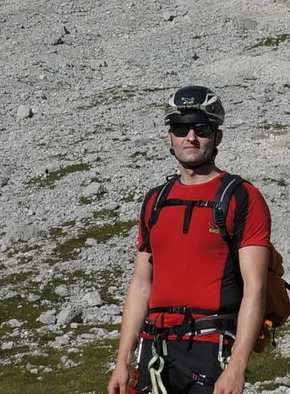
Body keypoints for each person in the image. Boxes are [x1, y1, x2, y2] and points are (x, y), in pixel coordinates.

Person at [109, 86, 272, 394]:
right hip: (154, 349)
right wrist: (122, 361)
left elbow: (256, 286)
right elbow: (141, 284)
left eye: (202, 128)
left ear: (218, 136)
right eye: (181, 128)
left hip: (212, 351)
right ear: (169, 137)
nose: (191, 137)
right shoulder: (155, 201)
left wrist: (237, 367)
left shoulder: (241, 197)